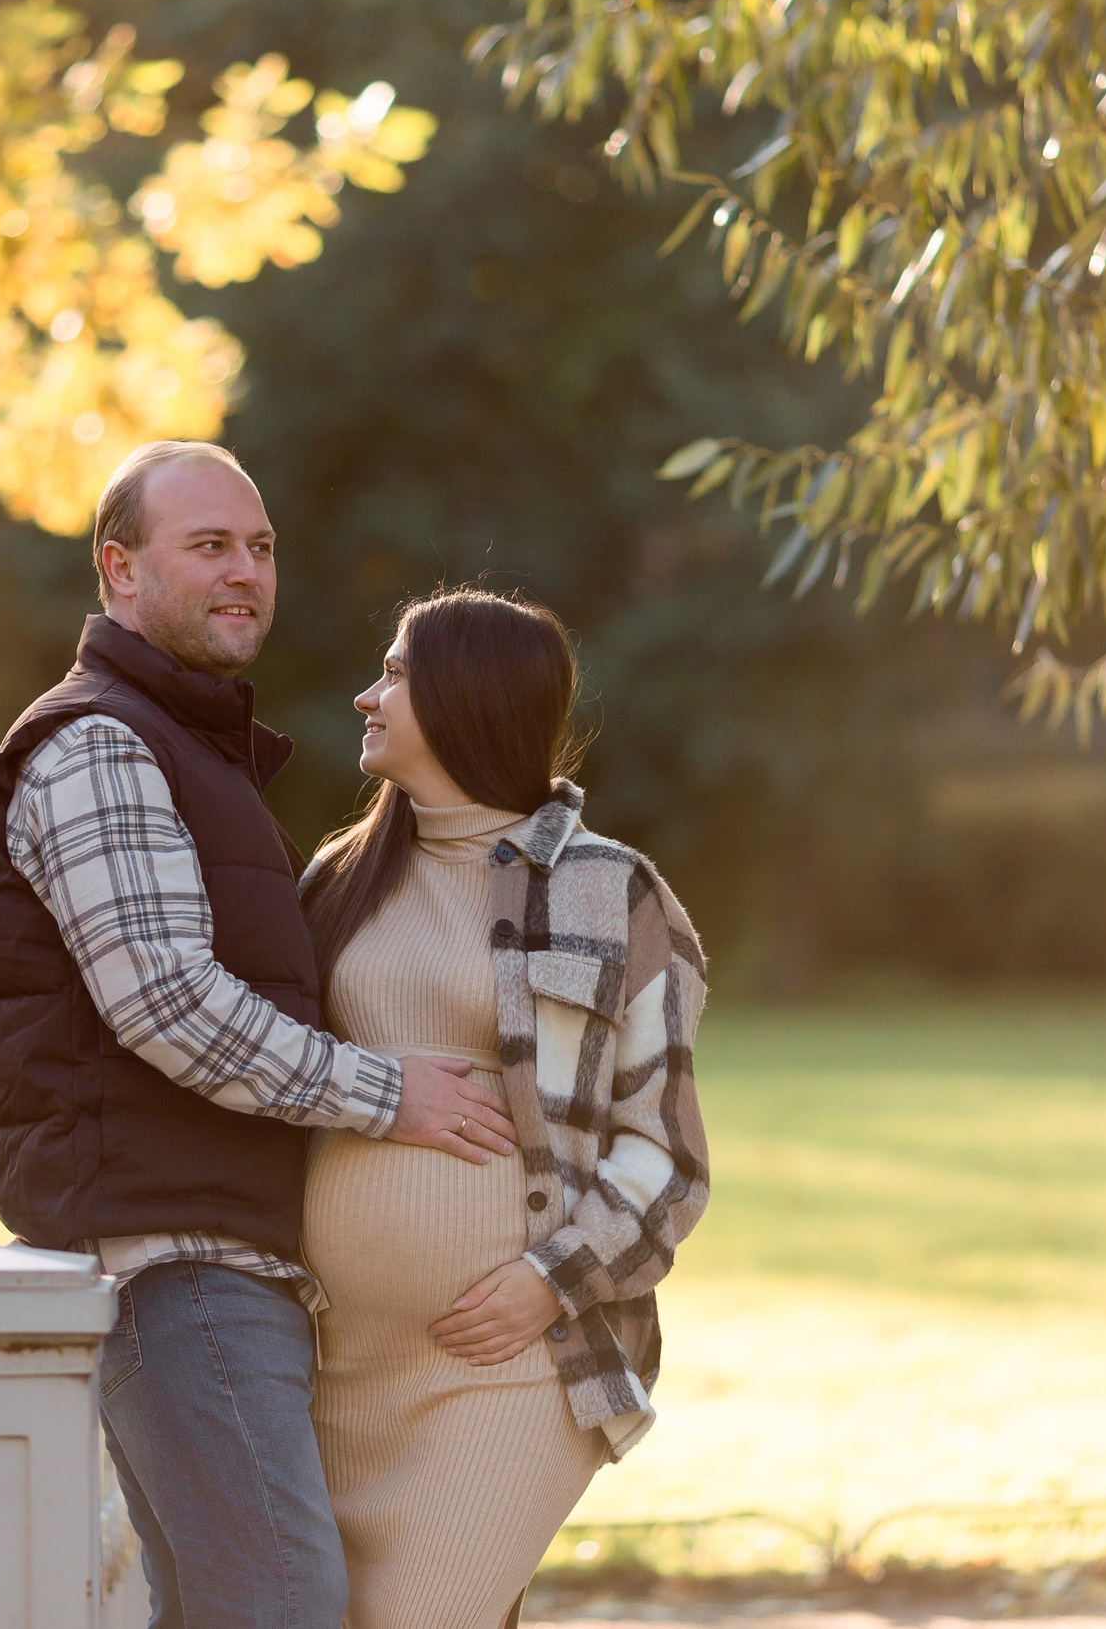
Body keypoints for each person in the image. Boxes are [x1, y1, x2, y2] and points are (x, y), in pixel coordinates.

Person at [0, 442, 518, 1629]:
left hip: (216, 1255)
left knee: (226, 1605)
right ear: (119, 568)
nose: (245, 572)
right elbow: (168, 1005)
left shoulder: (183, 747)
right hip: (177, 1261)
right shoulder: (100, 742)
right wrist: (392, 1096)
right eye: (208, 545)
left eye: (259, 548)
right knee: (279, 1600)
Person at [298, 588, 712, 1629]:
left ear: (466, 697)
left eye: (395, 673)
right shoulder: (335, 880)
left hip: (516, 1361)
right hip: (329, 1368)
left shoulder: (614, 895)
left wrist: (548, 1281)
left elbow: (665, 1154)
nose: (366, 696)